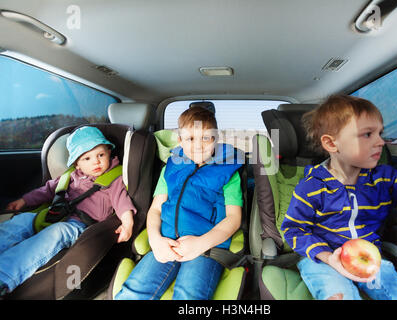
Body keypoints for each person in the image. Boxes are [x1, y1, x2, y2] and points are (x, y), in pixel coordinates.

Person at [281, 95, 397, 300]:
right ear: (332, 144)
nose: (380, 142)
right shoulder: (311, 187)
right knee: (338, 295)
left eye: (380, 133)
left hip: (369, 257)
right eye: (367, 134)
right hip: (323, 260)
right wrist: (326, 257)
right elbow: (293, 229)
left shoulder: (384, 179)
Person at [115, 106, 244, 300]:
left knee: (188, 295)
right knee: (133, 292)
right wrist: (156, 240)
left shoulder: (227, 172)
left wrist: (200, 244)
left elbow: (234, 218)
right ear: (180, 140)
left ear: (216, 139)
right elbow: (156, 209)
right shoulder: (171, 169)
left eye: (206, 138)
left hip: (205, 248)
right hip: (166, 242)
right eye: (190, 138)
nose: (198, 145)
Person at [0, 126, 136, 296]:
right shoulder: (71, 175)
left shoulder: (113, 179)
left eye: (101, 155)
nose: (96, 162)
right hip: (54, 215)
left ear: (109, 152)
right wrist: (24, 200)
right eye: (87, 158)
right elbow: (47, 190)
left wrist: (128, 222)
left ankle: (4, 276)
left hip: (78, 227)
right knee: (20, 222)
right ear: (76, 163)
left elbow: (122, 202)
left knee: (57, 233)